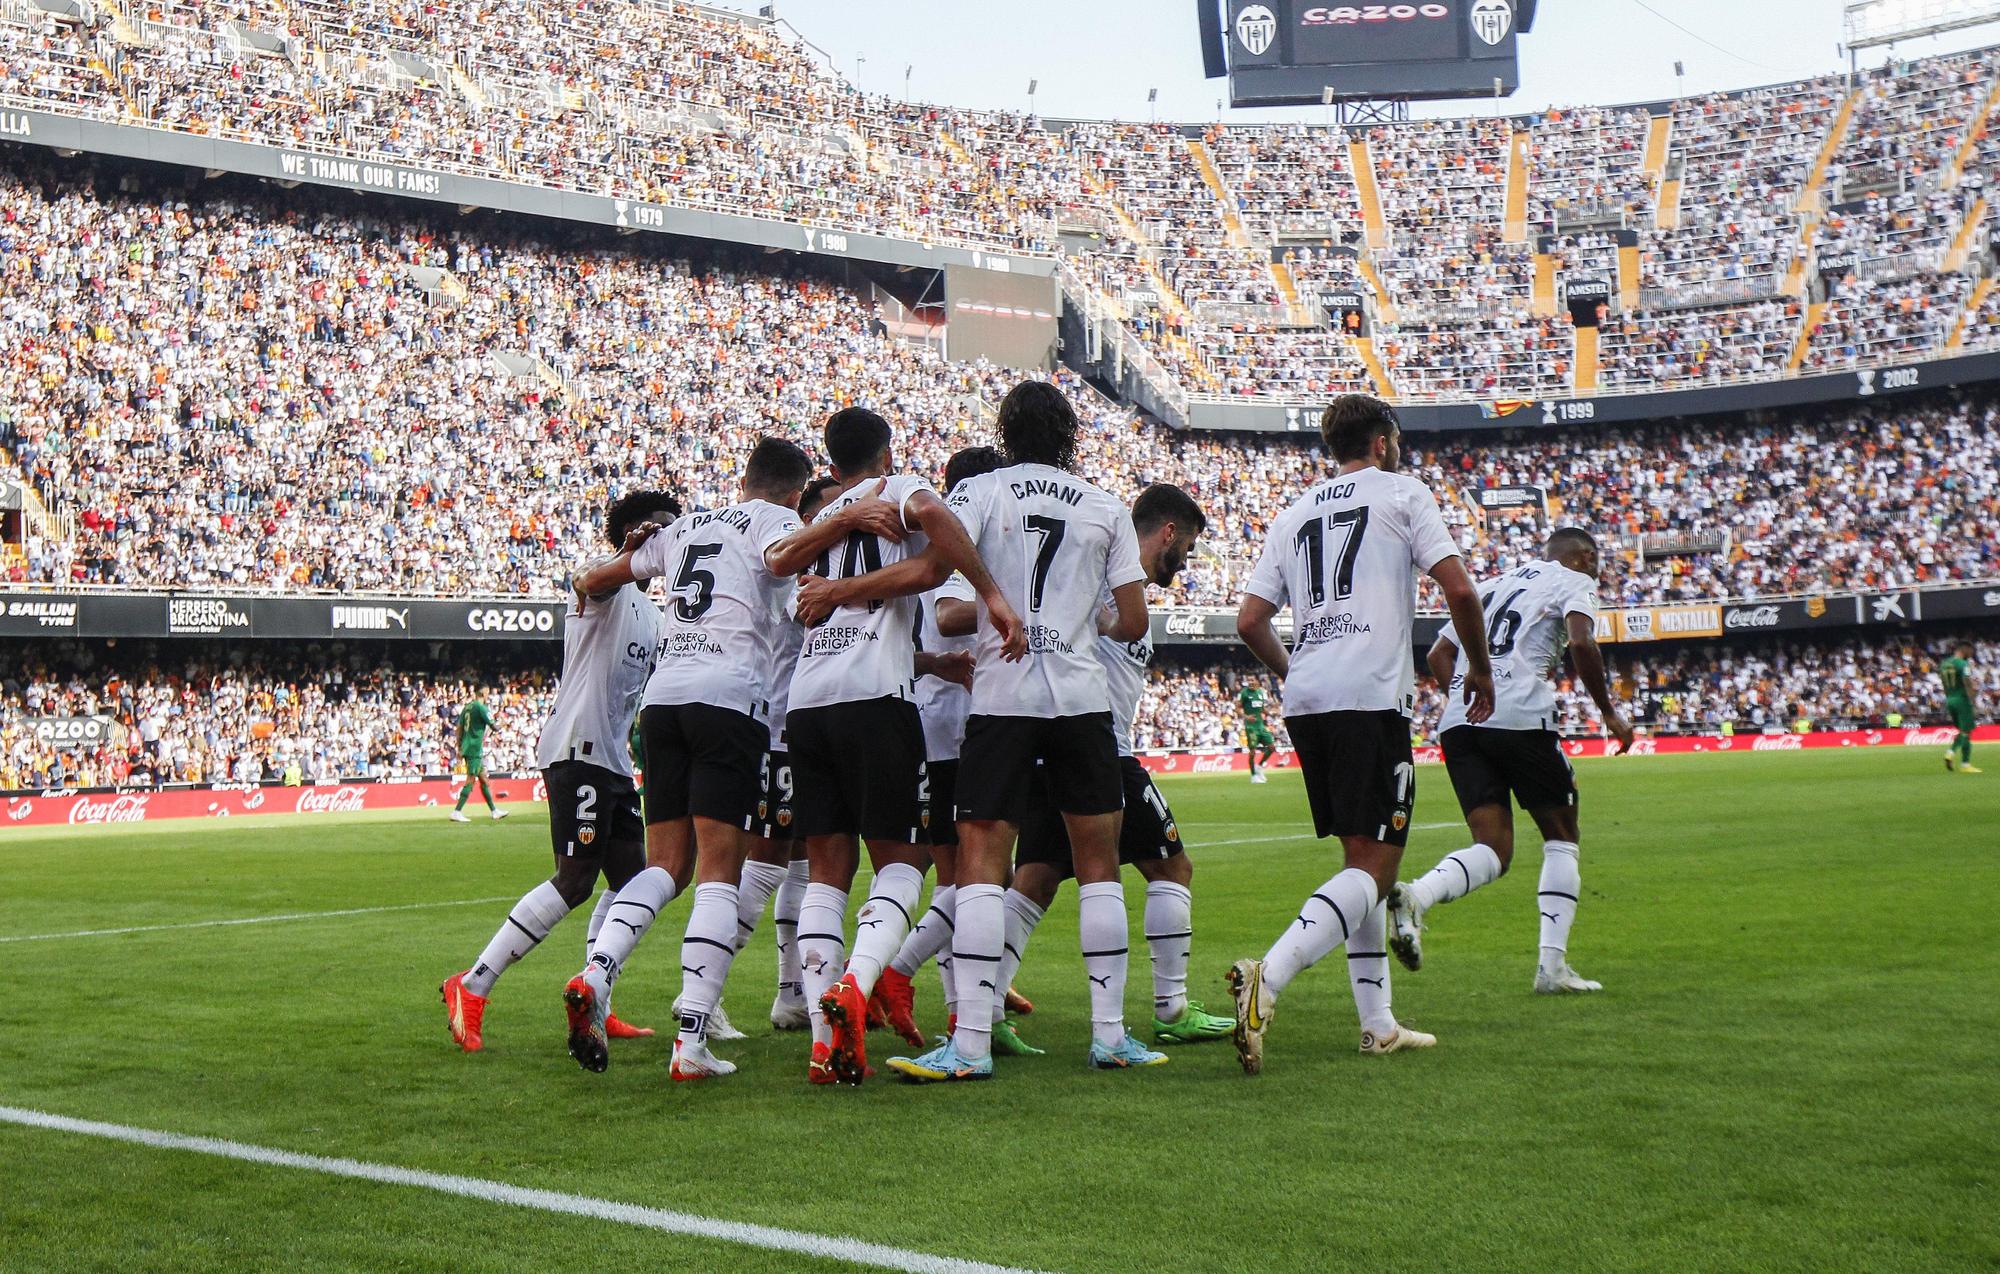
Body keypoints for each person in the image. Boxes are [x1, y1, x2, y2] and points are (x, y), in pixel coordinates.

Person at [798, 379, 1155, 1080]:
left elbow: (933, 577)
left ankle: (968, 1047)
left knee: (983, 868)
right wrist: (1084, 622)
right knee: (1099, 865)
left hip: (1002, 699)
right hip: (1081, 700)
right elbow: (1133, 621)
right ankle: (1111, 1036)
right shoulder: (1105, 506)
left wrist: (839, 591)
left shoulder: (981, 495)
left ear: (1005, 434)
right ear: (1070, 436)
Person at [558, 437, 891, 1082]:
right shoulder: (777, 520)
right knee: (718, 869)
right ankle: (691, 1038)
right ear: (795, 494)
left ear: (743, 476)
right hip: (728, 699)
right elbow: (781, 556)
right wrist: (843, 519)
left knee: (666, 866)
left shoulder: (686, 526)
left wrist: (618, 561)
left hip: (665, 700)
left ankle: (597, 973)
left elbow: (593, 581)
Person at [1226, 394, 1495, 1075]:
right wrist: (1482, 673)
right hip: (1369, 696)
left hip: (1310, 696)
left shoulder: (1292, 515)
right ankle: (1270, 977)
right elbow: (1461, 593)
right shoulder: (1403, 494)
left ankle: (1378, 1024)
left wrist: (1300, 671)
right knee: (1376, 867)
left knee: (1364, 861)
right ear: (1381, 442)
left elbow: (1251, 620)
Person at [776, 408, 1017, 1086]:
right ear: (886, 452)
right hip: (875, 698)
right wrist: (989, 591)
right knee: (903, 865)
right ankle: (857, 986)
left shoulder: (819, 521)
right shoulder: (896, 489)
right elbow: (940, 521)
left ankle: (824, 1043)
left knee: (827, 869)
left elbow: (779, 564)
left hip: (809, 702)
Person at [992, 483, 1236, 1050]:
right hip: (1098, 748)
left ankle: (981, 1009)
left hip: (1059, 749)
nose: (1188, 560)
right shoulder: (1104, 572)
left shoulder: (1113, 578)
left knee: (1034, 882)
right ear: (1168, 533)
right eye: (1188, 546)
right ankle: (1171, 1010)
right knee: (1173, 870)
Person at [441, 489, 681, 1052]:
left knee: (632, 886)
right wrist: (629, 555)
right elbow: (587, 580)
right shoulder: (605, 589)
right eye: (663, 529)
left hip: (614, 762)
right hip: (578, 750)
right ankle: (471, 986)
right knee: (575, 881)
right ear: (635, 533)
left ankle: (597, 1000)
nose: (674, 538)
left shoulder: (656, 613)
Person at [1386, 527, 1635, 996]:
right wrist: (1608, 712)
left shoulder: (1493, 583)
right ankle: (1552, 969)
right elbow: (1582, 644)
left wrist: (1473, 703)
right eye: (1597, 561)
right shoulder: (1574, 582)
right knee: (1562, 837)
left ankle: (1417, 896)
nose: (1599, 571)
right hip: (1522, 716)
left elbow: (1439, 652)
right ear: (1583, 556)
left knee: (1493, 848)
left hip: (1462, 723)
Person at [874, 446, 1009, 1049]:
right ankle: (899, 974)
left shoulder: (953, 535)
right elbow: (951, 616)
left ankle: (968, 1006)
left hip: (954, 722)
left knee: (970, 874)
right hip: (947, 727)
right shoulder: (958, 539)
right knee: (971, 875)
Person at [449, 690, 509, 822]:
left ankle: (494, 811)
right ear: (484, 693)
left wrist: (459, 747)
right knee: (470, 779)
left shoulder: (467, 707)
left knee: (483, 780)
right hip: (474, 748)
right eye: (487, 693)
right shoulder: (481, 708)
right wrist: (503, 724)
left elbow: (458, 728)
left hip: (466, 746)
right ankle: (457, 811)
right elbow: (494, 727)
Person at [1941, 640, 1982, 773]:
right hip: (1962, 700)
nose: (1971, 654)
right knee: (1966, 732)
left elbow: (1944, 685)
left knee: (1963, 731)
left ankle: (1951, 753)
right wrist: (1973, 699)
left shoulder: (1944, 664)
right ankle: (1964, 764)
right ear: (1964, 649)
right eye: (1970, 651)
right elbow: (1966, 681)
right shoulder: (1963, 664)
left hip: (1950, 699)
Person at [1239, 677, 1279, 783]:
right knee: (1252, 752)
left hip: (1260, 726)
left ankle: (1260, 766)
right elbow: (1237, 708)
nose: (1251, 682)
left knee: (1271, 747)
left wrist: (1271, 712)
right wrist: (1246, 717)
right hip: (1251, 727)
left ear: (1257, 681)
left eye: (1252, 680)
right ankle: (1253, 776)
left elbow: (1261, 708)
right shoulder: (1244, 693)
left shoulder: (1260, 692)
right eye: (1249, 680)